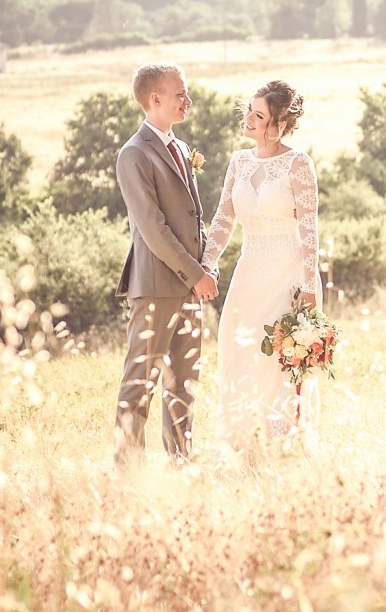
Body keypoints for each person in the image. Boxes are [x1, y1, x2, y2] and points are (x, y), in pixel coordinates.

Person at [202, 79, 321, 453]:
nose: (248, 120)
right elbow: (223, 219)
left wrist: (310, 285)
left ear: (280, 124)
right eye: (249, 112)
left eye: (259, 115)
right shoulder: (239, 161)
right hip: (249, 270)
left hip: (287, 274)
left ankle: (281, 443)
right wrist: (206, 264)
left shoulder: (298, 164)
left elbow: (309, 231)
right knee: (240, 348)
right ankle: (241, 442)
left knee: (276, 356)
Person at [113, 63, 218, 468]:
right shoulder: (134, 154)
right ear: (155, 99)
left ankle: (181, 461)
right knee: (141, 382)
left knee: (184, 383)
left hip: (191, 287)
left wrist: (207, 269)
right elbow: (153, 229)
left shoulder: (180, 148)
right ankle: (129, 469)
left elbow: (196, 219)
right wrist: (196, 275)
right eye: (180, 93)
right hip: (157, 286)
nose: (187, 100)